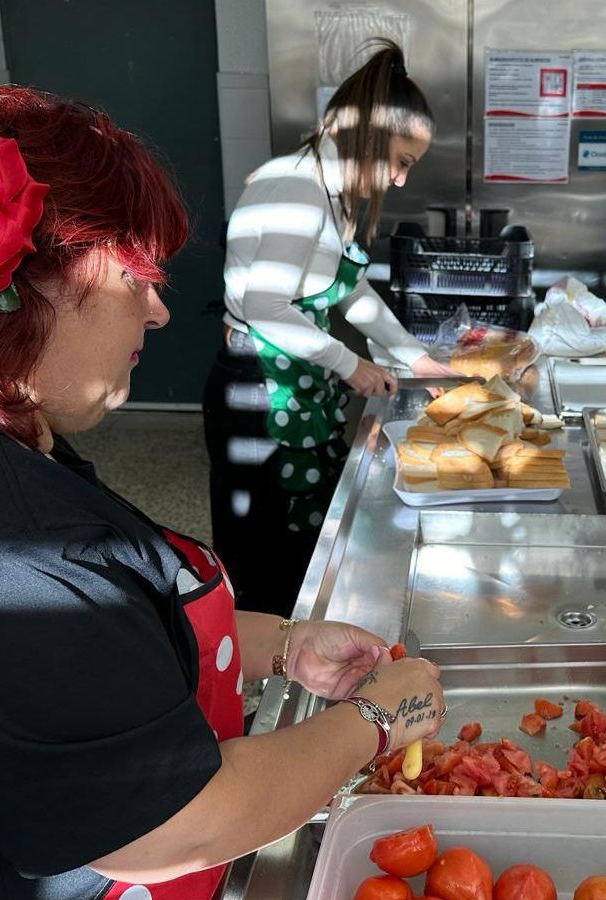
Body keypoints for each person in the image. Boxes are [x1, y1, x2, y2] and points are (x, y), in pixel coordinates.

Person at [0, 86, 444, 900]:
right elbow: (176, 826)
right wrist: (376, 721)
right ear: (37, 284)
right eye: (138, 277)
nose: (161, 311)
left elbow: (73, 647)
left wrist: (281, 644)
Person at [206, 39, 457, 617]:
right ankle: (264, 682)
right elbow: (265, 305)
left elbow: (349, 291)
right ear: (369, 134)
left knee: (303, 543)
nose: (398, 181)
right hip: (258, 393)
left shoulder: (331, 191)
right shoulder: (293, 187)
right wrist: (352, 365)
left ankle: (296, 660)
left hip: (294, 385)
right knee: (265, 553)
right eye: (400, 161)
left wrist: (412, 357)